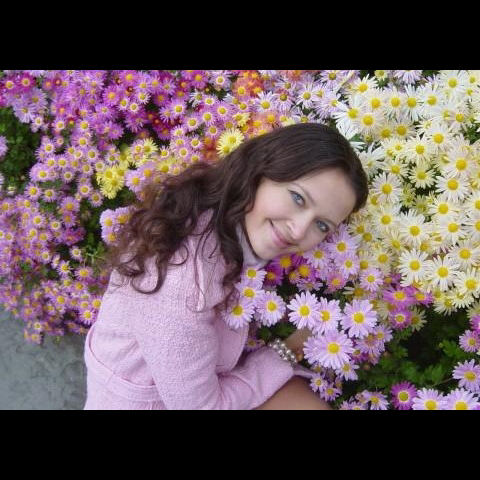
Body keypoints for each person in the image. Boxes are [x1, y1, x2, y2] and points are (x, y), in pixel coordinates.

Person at [83, 122, 369, 410]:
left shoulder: (221, 214)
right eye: (298, 198)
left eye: (322, 225)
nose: (299, 230)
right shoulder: (182, 283)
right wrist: (286, 351)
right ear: (260, 171)